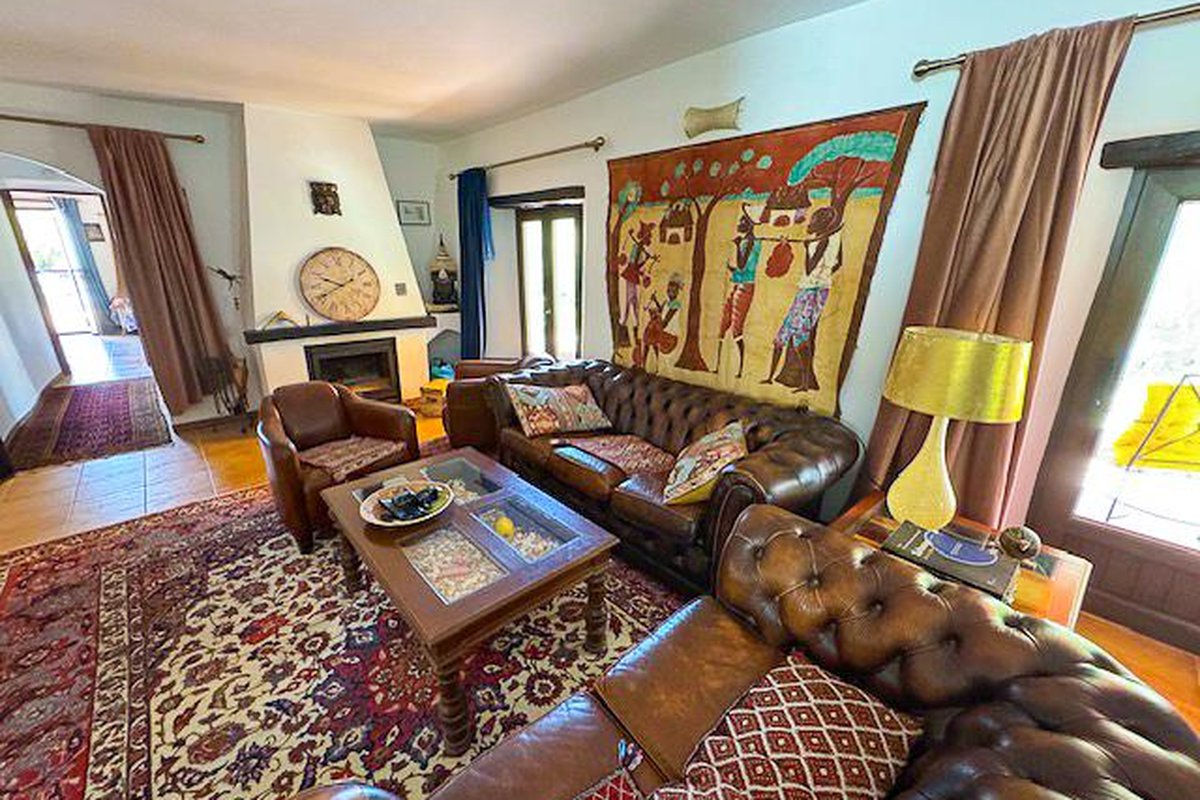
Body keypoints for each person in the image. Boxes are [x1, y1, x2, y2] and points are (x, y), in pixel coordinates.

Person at [762, 205, 843, 391]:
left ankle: (805, 383)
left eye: (814, 220)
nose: (810, 222)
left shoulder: (823, 241)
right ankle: (770, 377)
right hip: (809, 289)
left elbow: (809, 268)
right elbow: (838, 263)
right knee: (781, 336)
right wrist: (825, 273)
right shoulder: (822, 239)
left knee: (800, 337)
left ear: (820, 224)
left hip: (813, 291)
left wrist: (808, 252)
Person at [713, 207, 762, 379]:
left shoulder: (750, 242)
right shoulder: (746, 241)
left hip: (745, 287)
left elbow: (742, 266)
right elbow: (742, 268)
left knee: (736, 329)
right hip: (738, 284)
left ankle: (740, 369)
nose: (739, 223)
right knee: (723, 325)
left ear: (750, 224)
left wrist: (736, 245)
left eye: (743, 221)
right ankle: (717, 366)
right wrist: (733, 269)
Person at [620, 221, 656, 353]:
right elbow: (634, 263)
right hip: (631, 274)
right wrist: (645, 260)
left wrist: (646, 260)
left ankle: (633, 334)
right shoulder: (636, 247)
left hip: (634, 275)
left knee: (634, 304)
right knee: (630, 302)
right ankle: (625, 334)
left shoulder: (640, 247)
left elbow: (638, 265)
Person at [640, 273, 684, 371]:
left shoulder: (676, 304)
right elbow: (661, 311)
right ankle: (647, 364)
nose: (670, 293)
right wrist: (655, 300)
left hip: (669, 336)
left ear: (677, 292)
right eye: (669, 291)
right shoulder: (667, 302)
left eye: (673, 291)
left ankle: (651, 363)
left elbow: (665, 322)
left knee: (650, 333)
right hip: (663, 331)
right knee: (649, 333)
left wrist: (656, 320)